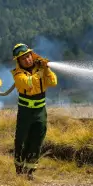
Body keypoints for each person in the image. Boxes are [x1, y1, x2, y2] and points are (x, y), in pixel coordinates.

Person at [11, 43, 58, 178]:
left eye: (28, 56)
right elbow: (28, 83)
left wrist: (47, 70)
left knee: (37, 139)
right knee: (22, 139)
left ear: (32, 55)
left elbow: (53, 82)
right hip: (25, 111)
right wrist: (41, 72)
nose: (27, 60)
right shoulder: (18, 74)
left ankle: (30, 171)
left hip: (40, 111)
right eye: (23, 58)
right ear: (18, 61)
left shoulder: (42, 69)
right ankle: (19, 169)